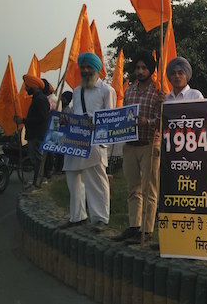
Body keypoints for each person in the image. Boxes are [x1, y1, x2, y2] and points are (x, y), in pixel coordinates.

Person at [59, 52, 116, 233]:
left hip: (95, 143)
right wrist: (66, 120)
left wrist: (96, 124)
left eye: (88, 67)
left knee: (97, 182)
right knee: (72, 178)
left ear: (97, 69)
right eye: (82, 67)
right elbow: (75, 114)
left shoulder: (107, 90)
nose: (85, 70)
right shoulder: (76, 91)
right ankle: (77, 217)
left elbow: (111, 118)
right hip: (75, 140)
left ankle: (100, 219)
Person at [112, 52, 165, 245]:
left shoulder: (158, 92)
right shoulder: (129, 91)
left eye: (144, 68)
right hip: (130, 145)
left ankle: (147, 230)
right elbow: (123, 115)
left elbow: (162, 120)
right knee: (133, 188)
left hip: (149, 144)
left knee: (149, 189)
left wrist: (147, 121)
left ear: (150, 70)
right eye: (138, 68)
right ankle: (134, 226)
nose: (140, 71)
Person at [13, 75, 50, 190]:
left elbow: (42, 118)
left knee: (37, 159)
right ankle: (36, 182)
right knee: (35, 159)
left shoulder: (40, 100)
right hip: (34, 134)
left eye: (27, 86)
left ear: (34, 87)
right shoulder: (37, 99)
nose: (25, 88)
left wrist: (23, 120)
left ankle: (37, 183)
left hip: (37, 135)